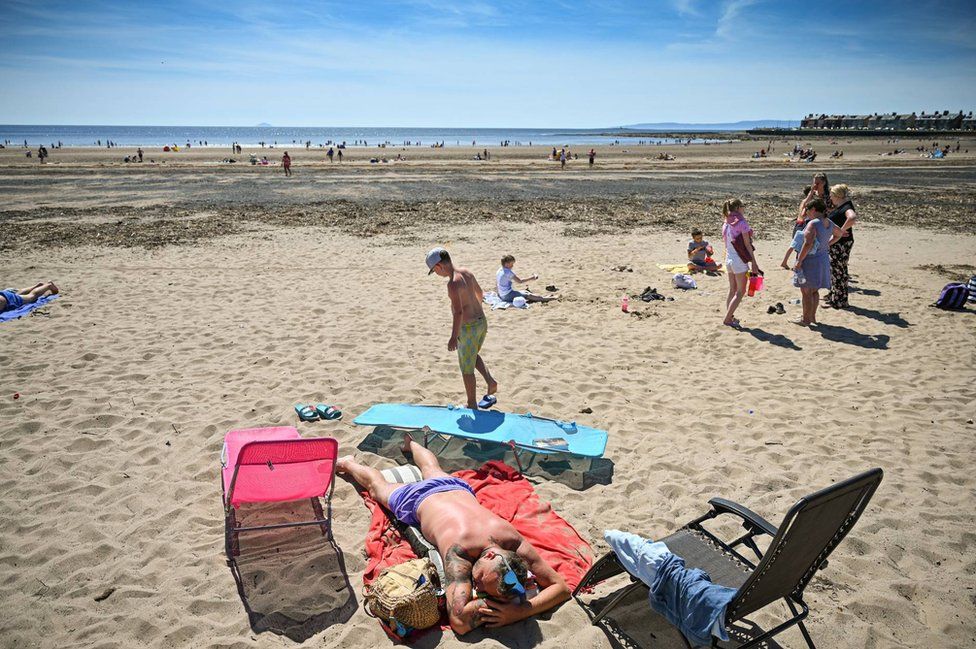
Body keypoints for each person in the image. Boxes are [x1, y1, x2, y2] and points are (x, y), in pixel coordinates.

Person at [336, 435, 570, 635]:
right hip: (417, 498)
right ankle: (349, 464)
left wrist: (521, 610)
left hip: (457, 488)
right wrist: (518, 610)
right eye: (480, 580)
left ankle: (412, 444)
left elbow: (562, 587)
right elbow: (459, 622)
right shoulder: (459, 553)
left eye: (482, 589)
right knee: (378, 487)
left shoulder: (512, 542)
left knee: (432, 469)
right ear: (489, 557)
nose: (477, 586)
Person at [426, 248, 497, 410]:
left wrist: (453, 336)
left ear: (438, 266)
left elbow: (458, 312)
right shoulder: (466, 272)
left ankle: (472, 404)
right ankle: (490, 381)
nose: (436, 274)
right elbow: (480, 293)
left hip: (468, 328)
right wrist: (477, 311)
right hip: (481, 323)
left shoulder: (452, 284)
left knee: (466, 369)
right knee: (472, 355)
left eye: (433, 271)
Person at [793, 198, 843, 325]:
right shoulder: (828, 222)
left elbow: (807, 243)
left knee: (806, 291)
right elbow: (840, 234)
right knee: (814, 291)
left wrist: (799, 260)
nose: (806, 212)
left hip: (810, 260)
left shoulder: (813, 223)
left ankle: (806, 319)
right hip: (822, 258)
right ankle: (812, 317)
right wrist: (827, 244)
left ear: (814, 210)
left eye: (808, 210)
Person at [721, 199, 761, 328]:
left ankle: (730, 316)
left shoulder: (726, 222)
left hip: (729, 259)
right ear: (738, 207)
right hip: (738, 260)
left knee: (732, 290)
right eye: (743, 206)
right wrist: (754, 262)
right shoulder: (742, 222)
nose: (744, 208)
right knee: (740, 291)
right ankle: (728, 319)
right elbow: (747, 244)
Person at [825, 184, 857, 309]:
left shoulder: (846, 206)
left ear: (837, 195)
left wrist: (841, 231)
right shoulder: (843, 205)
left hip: (841, 244)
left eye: (832, 195)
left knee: (838, 271)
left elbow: (852, 217)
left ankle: (838, 301)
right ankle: (837, 298)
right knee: (839, 271)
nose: (831, 198)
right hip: (841, 243)